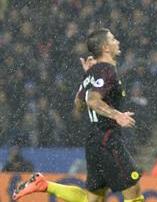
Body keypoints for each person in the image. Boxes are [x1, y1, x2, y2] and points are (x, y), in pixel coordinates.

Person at [13, 28, 144, 202]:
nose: (117, 42)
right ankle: (42, 185)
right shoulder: (106, 70)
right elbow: (91, 100)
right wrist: (116, 115)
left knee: (93, 199)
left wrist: (87, 78)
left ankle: (43, 185)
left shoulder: (92, 73)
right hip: (107, 140)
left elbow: (78, 104)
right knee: (133, 191)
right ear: (105, 47)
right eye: (113, 39)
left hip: (94, 141)